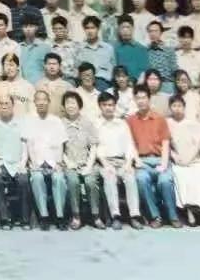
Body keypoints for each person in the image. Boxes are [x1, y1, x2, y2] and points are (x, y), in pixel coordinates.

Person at [127, 84, 180, 228]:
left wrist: (163, 164)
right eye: (138, 98)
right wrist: (136, 160)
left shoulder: (159, 119)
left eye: (144, 97)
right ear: (135, 100)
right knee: (141, 179)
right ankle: (155, 216)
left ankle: (173, 216)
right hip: (142, 160)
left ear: (149, 99)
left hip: (159, 159)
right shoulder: (130, 120)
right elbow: (130, 144)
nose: (141, 101)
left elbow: (166, 143)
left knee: (165, 180)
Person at [96, 92, 143, 230]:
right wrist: (106, 164)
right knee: (110, 178)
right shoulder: (96, 124)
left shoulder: (122, 124)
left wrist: (128, 163)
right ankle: (115, 216)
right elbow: (96, 147)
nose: (108, 108)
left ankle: (134, 216)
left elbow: (129, 145)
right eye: (105, 105)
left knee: (130, 177)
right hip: (105, 162)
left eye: (111, 105)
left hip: (122, 161)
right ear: (100, 106)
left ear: (115, 106)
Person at [167, 94, 200, 227]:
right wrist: (175, 157)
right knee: (180, 176)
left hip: (194, 160)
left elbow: (198, 144)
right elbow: (166, 145)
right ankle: (189, 211)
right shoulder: (167, 123)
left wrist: (189, 159)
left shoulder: (192, 124)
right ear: (170, 108)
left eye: (180, 106)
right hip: (178, 161)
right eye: (174, 106)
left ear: (184, 107)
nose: (177, 109)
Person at [24, 89, 68, 230]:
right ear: (34, 102)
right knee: (37, 178)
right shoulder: (29, 120)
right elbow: (29, 144)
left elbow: (61, 144)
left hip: (53, 161)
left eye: (44, 100)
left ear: (49, 102)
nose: (41, 102)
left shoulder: (56, 121)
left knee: (59, 179)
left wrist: (58, 163)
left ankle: (60, 215)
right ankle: (44, 216)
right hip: (37, 161)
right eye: (38, 100)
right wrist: (32, 163)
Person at [62, 91, 105, 230]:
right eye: (67, 103)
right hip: (69, 163)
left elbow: (93, 146)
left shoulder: (87, 123)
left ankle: (96, 216)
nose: (70, 106)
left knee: (91, 181)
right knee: (73, 181)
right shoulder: (60, 123)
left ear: (79, 105)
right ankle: (76, 216)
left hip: (87, 162)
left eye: (73, 103)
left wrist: (89, 166)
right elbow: (58, 149)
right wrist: (68, 162)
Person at [0, 94, 30, 230]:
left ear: (13, 105)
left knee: (23, 180)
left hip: (17, 162)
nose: (4, 106)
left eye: (7, 103)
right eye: (1, 104)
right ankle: (5, 218)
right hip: (0, 162)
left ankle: (25, 219)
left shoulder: (21, 123)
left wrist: (23, 164)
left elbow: (25, 145)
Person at [76, 16, 116, 92]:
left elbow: (113, 69)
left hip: (103, 83)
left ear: (98, 28)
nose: (90, 31)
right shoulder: (79, 48)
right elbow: (77, 70)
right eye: (87, 28)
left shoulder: (108, 48)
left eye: (93, 28)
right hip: (85, 83)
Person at [34, 53, 75, 118]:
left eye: (54, 64)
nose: (52, 67)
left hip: (62, 121)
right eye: (49, 64)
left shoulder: (68, 87)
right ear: (45, 66)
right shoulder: (37, 86)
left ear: (60, 66)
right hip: (43, 121)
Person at [19, 14, 51, 84]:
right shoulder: (18, 47)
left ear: (36, 27)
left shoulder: (45, 48)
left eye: (31, 26)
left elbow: (50, 68)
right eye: (25, 26)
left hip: (41, 85)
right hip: (22, 85)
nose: (28, 29)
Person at [114, 15, 149, 81]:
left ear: (133, 28)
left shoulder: (141, 49)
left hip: (137, 83)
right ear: (118, 29)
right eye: (122, 27)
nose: (125, 30)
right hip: (119, 82)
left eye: (128, 27)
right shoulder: (114, 48)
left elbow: (144, 71)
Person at [146, 20, 178, 90]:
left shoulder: (169, 50)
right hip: (150, 85)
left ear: (161, 33)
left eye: (155, 31)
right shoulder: (145, 51)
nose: (153, 34)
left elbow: (174, 69)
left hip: (167, 84)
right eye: (150, 31)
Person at [0, 13, 19, 77]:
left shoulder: (14, 46)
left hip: (7, 79)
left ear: (6, 26)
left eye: (1, 25)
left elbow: (17, 67)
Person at [48, 16, 79, 81]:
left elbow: (78, 65)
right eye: (56, 29)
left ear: (66, 29)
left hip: (71, 79)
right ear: (53, 30)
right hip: (54, 79)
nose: (58, 31)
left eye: (61, 28)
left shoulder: (74, 46)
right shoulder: (49, 46)